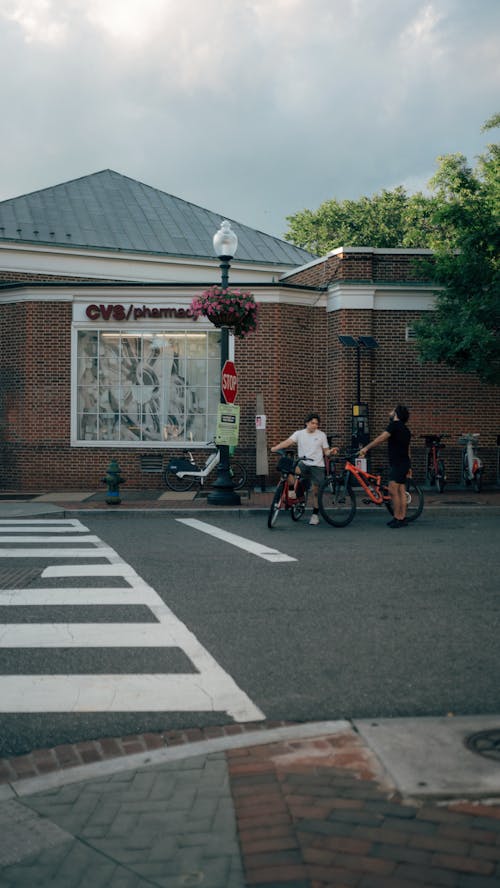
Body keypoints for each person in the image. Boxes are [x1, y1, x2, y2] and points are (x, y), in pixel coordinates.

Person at [271, 413, 334, 525]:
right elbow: (288, 442)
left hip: (317, 466)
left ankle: (315, 515)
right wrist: (276, 448)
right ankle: (292, 492)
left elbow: (326, 451)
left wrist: (331, 452)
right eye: (312, 423)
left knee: (316, 492)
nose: (315, 425)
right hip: (303, 464)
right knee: (288, 470)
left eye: (316, 424)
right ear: (307, 423)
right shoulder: (299, 434)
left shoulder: (321, 435)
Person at [358, 405, 412, 528]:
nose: (390, 412)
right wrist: (409, 466)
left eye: (392, 410)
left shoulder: (394, 425)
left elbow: (381, 438)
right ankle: (402, 518)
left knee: (393, 491)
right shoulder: (406, 430)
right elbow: (408, 449)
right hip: (404, 462)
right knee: (401, 491)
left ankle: (398, 518)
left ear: (396, 414)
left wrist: (366, 448)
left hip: (397, 463)